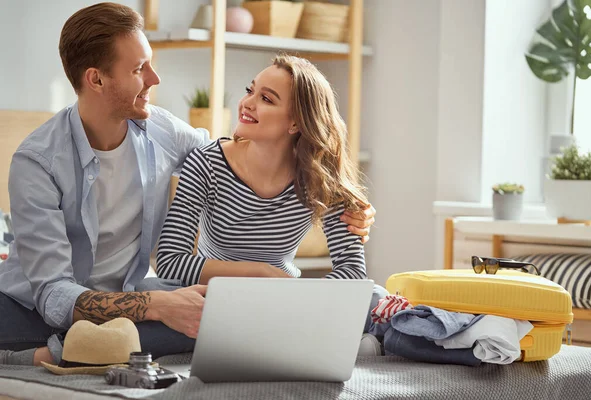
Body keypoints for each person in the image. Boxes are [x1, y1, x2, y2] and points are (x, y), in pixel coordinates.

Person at [0, 3, 376, 366]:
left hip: (128, 296)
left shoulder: (161, 131)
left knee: (364, 299)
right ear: (96, 79)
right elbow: (54, 295)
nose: (155, 78)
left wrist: (355, 212)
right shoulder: (38, 163)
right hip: (32, 307)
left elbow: (228, 156)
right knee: (197, 318)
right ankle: (46, 354)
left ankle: (89, 348)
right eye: (139, 69)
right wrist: (158, 305)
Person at [155, 55, 386, 335]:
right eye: (250, 91)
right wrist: (261, 273)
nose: (247, 103)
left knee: (375, 297)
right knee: (154, 298)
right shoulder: (206, 163)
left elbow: (351, 270)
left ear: (296, 124)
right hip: (216, 296)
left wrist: (298, 295)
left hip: (283, 299)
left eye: (266, 99)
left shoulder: (320, 177)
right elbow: (170, 262)